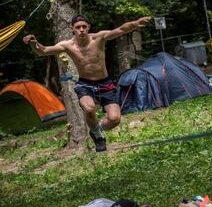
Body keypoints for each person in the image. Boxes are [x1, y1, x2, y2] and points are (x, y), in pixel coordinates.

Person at [23, 14, 151, 152]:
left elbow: (121, 30)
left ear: (89, 27)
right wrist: (33, 43)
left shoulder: (98, 38)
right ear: (72, 28)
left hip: (105, 83)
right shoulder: (68, 45)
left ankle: (97, 130)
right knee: (89, 108)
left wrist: (136, 23)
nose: (82, 29)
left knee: (115, 119)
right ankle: (98, 137)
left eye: (84, 26)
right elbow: (43, 51)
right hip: (85, 84)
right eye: (78, 27)